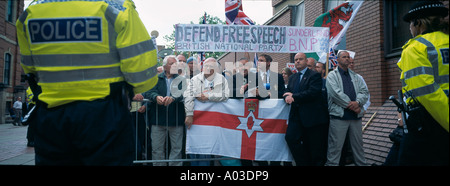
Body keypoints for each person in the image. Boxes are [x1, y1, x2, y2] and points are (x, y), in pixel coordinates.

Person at [16, 0, 158, 165]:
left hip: (51, 115)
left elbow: (29, 68)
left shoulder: (32, 10)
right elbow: (142, 73)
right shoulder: (117, 7)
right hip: (104, 115)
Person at [396, 0, 449, 166]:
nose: (410, 28)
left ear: (417, 22)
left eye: (410, 24)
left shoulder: (415, 48)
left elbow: (427, 94)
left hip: (429, 125)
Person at [283, 52, 329, 166]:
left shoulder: (314, 75)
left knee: (315, 148)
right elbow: (287, 91)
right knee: (291, 138)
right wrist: (286, 96)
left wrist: (293, 96)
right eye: (296, 60)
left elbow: (312, 92)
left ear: (306, 61)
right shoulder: (293, 77)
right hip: (296, 117)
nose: (298, 61)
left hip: (312, 117)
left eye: (300, 59)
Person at [325, 50, 369, 166]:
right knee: (335, 148)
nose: (347, 59)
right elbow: (335, 94)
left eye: (348, 57)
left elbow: (364, 92)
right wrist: (354, 106)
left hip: (355, 118)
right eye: (344, 57)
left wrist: (358, 102)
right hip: (339, 117)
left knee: (358, 147)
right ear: (338, 60)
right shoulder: (331, 76)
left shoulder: (356, 76)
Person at [184, 58, 231, 166]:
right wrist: (189, 114)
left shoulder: (222, 79)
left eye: (211, 66)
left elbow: (225, 95)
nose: (208, 68)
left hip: (213, 121)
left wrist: (209, 97)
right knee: (195, 146)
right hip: (196, 119)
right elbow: (188, 96)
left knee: (208, 147)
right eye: (206, 66)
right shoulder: (195, 79)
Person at [144, 55, 186, 166]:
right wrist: (156, 97)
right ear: (164, 66)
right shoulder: (156, 78)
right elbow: (149, 92)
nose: (174, 66)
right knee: (157, 150)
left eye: (175, 64)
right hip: (158, 119)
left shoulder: (181, 80)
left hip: (176, 120)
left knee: (177, 149)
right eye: (171, 63)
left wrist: (173, 97)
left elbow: (184, 93)